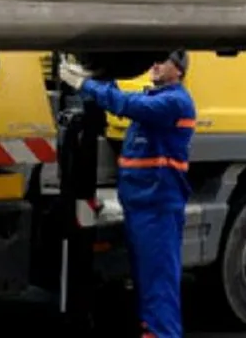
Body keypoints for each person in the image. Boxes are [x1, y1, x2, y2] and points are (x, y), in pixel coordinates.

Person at [59, 52, 197, 338]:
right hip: (142, 208)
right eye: (154, 59)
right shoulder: (154, 100)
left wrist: (84, 84)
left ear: (179, 71)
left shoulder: (174, 102)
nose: (155, 64)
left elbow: (124, 104)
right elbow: (124, 100)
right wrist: (97, 74)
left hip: (157, 209)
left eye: (164, 60)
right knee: (147, 285)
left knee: (158, 287)